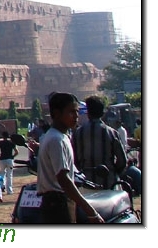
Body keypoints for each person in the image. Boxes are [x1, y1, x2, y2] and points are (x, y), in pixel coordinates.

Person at [37, 92, 104, 224]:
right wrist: (91, 211)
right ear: (56, 114)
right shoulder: (57, 139)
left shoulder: (57, 136)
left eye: (77, 112)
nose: (76, 116)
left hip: (56, 202)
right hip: (58, 203)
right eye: (71, 112)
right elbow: (63, 179)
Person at [72, 96, 127, 189]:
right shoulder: (112, 133)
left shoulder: (78, 133)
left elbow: (74, 159)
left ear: (88, 113)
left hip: (86, 183)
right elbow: (122, 161)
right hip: (109, 183)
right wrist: (113, 172)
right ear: (102, 113)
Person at [0, 131, 18, 195]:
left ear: (3, 136)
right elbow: (16, 152)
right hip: (9, 159)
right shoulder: (11, 143)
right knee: (9, 175)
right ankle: (9, 190)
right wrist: (13, 156)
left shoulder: (0, 143)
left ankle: (2, 186)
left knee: (2, 173)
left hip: (2, 159)